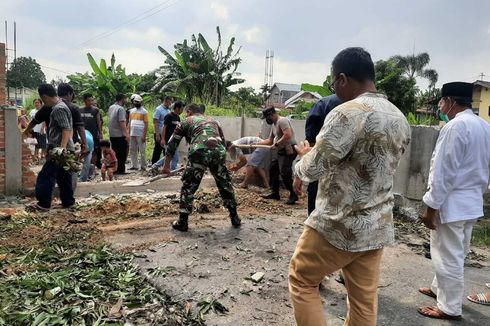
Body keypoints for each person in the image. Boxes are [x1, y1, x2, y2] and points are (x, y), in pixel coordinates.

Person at [288, 47, 411, 326]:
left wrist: (302, 157)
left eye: (334, 84)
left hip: (338, 224)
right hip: (376, 226)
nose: (334, 90)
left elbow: (315, 167)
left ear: (342, 79)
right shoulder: (398, 118)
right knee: (363, 300)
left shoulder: (346, 113)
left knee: (302, 279)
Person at [417, 82, 490, 321]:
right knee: (454, 253)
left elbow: (443, 171)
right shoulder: (483, 126)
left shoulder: (455, 126)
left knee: (448, 256)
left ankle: (449, 307)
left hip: (452, 202)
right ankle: (439, 290)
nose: (440, 106)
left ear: (449, 101)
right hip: (471, 203)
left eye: (441, 102)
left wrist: (431, 207)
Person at [162, 103, 240, 232]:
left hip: (199, 152)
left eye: (186, 113)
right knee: (224, 184)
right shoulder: (214, 121)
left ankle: (182, 222)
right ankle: (235, 217)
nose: (185, 115)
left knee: (189, 185)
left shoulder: (186, 121)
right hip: (218, 152)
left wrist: (166, 167)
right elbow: (224, 142)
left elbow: (172, 144)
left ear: (189, 112)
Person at [294, 95, 342, 215]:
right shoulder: (382, 109)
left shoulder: (324, 105)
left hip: (324, 181)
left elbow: (310, 148)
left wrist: (299, 174)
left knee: (318, 221)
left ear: (342, 79)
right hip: (366, 195)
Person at [31, 84, 75, 211]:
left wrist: (61, 149)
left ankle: (43, 204)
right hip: (66, 148)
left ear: (44, 96)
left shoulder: (58, 109)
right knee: (63, 176)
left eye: (42, 99)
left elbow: (66, 129)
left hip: (58, 148)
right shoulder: (61, 105)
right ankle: (68, 202)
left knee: (46, 176)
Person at [257, 106, 298, 205]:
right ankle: (275, 193)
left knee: (285, 172)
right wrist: (257, 144)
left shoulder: (282, 121)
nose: (267, 120)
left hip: (289, 150)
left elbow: (287, 134)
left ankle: (293, 194)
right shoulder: (274, 125)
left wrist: (276, 144)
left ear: (272, 114)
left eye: (267, 117)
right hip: (280, 151)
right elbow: (270, 140)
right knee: (273, 170)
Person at [57, 83, 87, 154]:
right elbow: (80, 127)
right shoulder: (73, 107)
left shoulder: (50, 106)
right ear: (69, 94)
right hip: (71, 141)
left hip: (53, 141)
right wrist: (85, 144)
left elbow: (35, 121)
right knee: (70, 163)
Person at [108, 94, 129, 174]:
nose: (126, 101)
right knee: (122, 153)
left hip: (112, 134)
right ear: (122, 99)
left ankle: (115, 169)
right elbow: (122, 122)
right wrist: (126, 134)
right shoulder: (121, 109)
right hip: (120, 135)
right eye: (125, 99)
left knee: (115, 152)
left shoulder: (111, 107)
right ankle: (121, 169)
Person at [80, 93, 103, 169]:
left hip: (93, 134)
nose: (90, 102)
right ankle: (85, 166)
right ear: (84, 101)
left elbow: (98, 122)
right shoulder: (80, 110)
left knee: (94, 151)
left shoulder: (95, 110)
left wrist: (100, 133)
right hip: (83, 134)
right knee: (84, 151)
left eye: (91, 100)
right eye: (88, 100)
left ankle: (93, 167)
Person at [128, 94, 149, 171]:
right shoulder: (131, 111)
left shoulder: (144, 112)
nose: (136, 103)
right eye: (135, 101)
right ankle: (135, 165)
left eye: (138, 102)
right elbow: (130, 122)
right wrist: (128, 132)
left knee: (142, 150)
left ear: (141, 102)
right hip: (132, 133)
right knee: (132, 149)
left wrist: (144, 135)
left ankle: (143, 166)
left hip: (140, 134)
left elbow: (146, 124)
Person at [151, 96, 172, 164]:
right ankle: (154, 164)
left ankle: (163, 165)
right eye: (170, 101)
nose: (171, 103)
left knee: (165, 150)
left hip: (166, 133)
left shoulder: (168, 110)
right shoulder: (158, 109)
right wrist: (157, 134)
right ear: (166, 101)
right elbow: (155, 122)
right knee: (158, 149)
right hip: (159, 132)